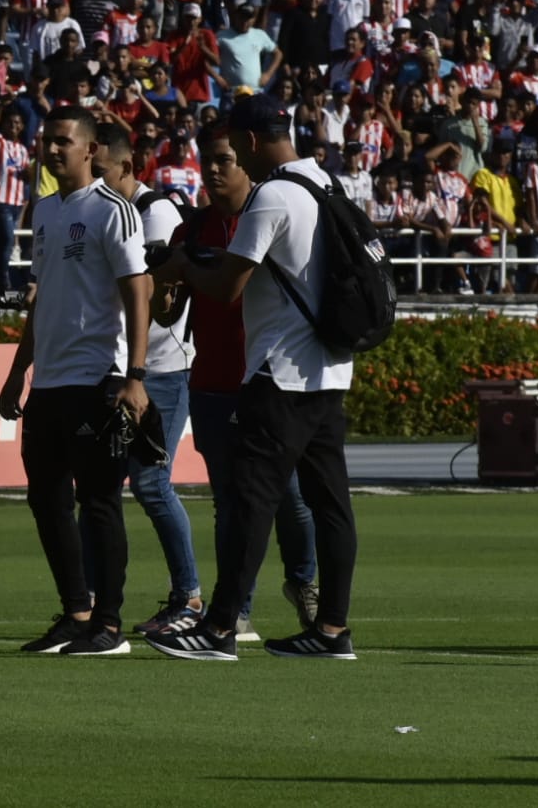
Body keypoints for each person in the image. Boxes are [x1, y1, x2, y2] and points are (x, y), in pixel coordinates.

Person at [146, 95, 357, 661]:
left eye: (233, 147)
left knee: (247, 503)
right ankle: (332, 629)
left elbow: (227, 287)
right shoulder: (325, 183)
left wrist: (183, 265)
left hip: (277, 372)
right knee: (329, 504)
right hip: (330, 367)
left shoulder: (272, 194)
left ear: (248, 142)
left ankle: (218, 629)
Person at [0, 105, 151, 657]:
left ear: (90, 149)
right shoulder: (43, 211)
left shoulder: (114, 209)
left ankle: (109, 625)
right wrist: (18, 372)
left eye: (64, 141)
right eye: (48, 140)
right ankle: (76, 612)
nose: (53, 149)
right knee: (47, 500)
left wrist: (135, 376)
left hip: (98, 379)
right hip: (49, 384)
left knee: (101, 501)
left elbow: (139, 292)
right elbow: (41, 301)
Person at [158, 126, 319, 642]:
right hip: (210, 384)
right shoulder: (191, 230)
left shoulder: (269, 213)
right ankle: (238, 609)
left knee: (290, 497)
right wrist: (164, 283)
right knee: (231, 502)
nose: (213, 169)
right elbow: (170, 314)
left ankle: (303, 583)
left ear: (246, 162)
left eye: (224, 159)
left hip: (271, 382)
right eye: (207, 160)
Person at [87, 123, 202, 635]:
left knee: (152, 484)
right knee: (97, 487)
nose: (96, 180)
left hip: (161, 369)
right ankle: (92, 602)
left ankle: (190, 598)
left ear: (126, 167)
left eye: (102, 171)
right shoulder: (101, 211)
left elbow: (157, 301)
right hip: (118, 369)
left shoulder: (158, 213)